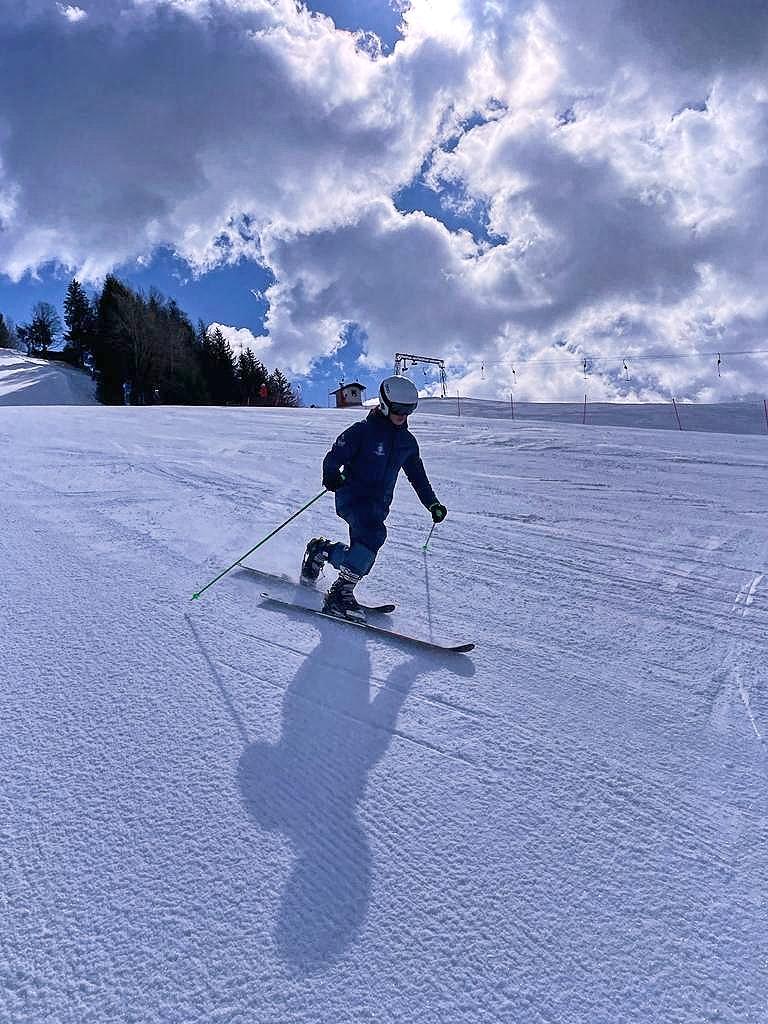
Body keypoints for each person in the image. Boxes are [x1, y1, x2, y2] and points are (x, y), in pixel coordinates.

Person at [301, 376, 447, 621]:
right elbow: (334, 456)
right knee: (373, 535)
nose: (403, 415)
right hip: (353, 497)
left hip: (379, 505)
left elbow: (418, 477)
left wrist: (432, 503)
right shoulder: (362, 431)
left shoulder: (407, 443)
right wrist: (331, 475)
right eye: (399, 409)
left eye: (409, 409)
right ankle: (340, 595)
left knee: (364, 552)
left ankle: (321, 551)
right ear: (384, 403)